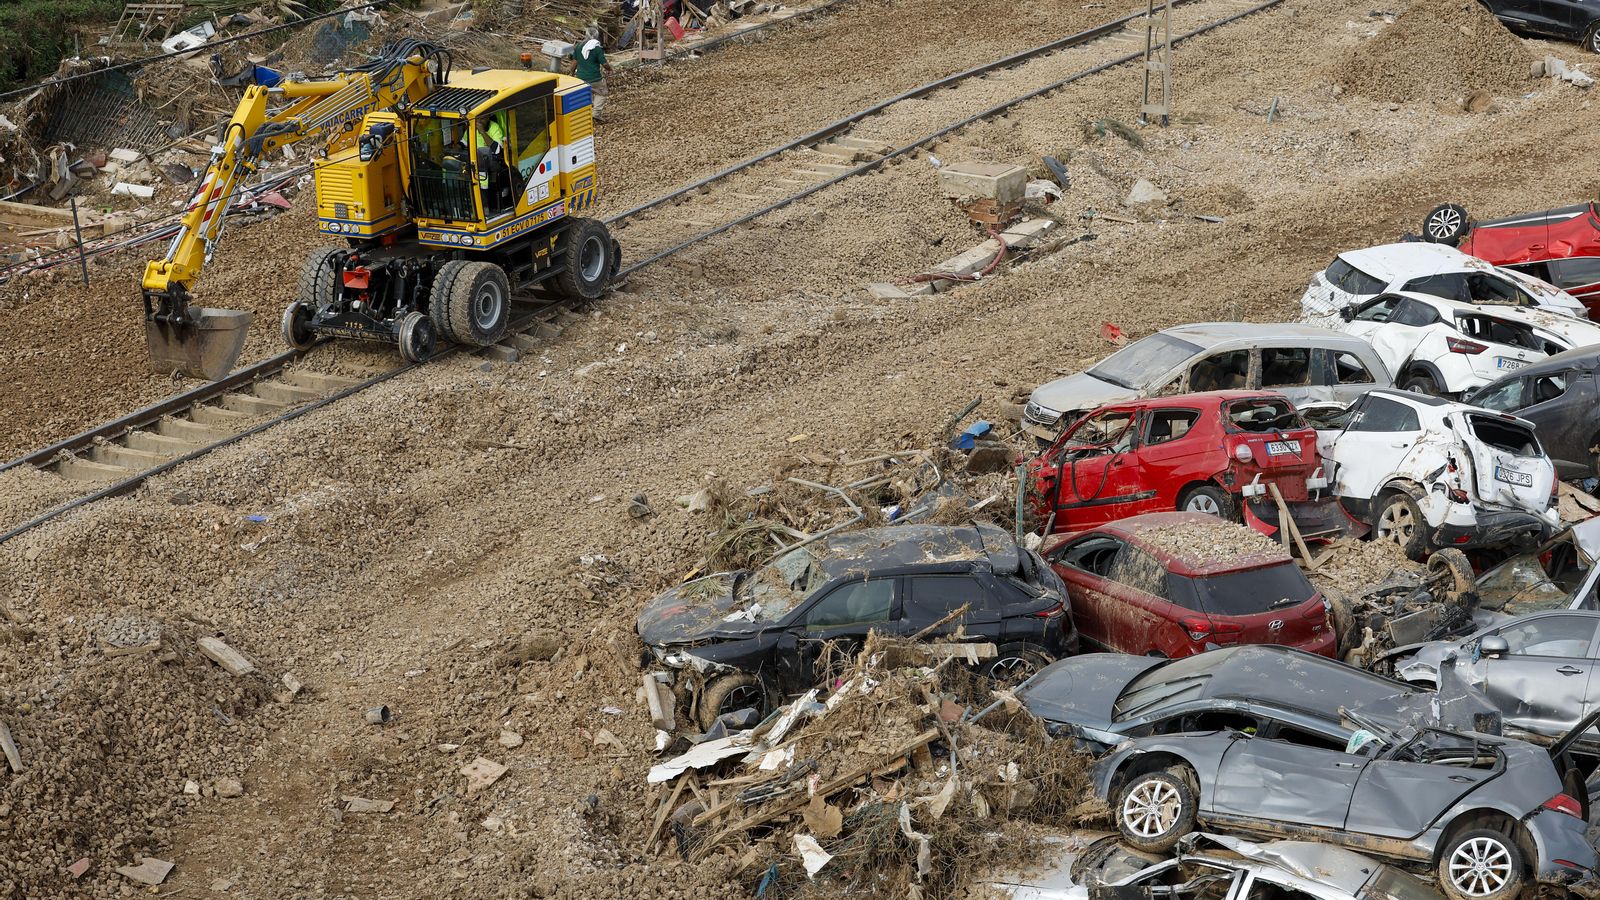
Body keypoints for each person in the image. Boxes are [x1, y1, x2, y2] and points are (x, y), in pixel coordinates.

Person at [569, 31, 613, 120]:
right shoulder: (596, 49)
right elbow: (604, 64)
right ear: (596, 37)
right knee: (602, 93)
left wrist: (571, 73)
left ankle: (584, 115)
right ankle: (596, 113)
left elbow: (574, 62)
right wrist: (610, 69)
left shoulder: (578, 46)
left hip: (581, 79)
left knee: (584, 95)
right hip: (595, 78)